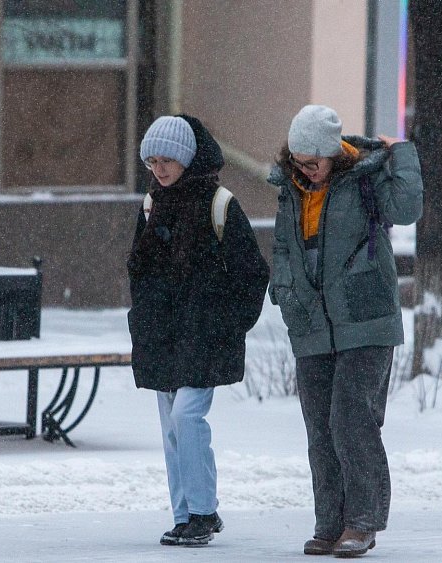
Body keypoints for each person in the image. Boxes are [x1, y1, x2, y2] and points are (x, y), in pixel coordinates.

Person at [267, 105, 422, 557]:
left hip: (366, 316)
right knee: (319, 427)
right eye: (299, 161)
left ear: (335, 155)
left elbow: (408, 208)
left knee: (350, 419)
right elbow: (282, 246)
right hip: (312, 320)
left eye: (314, 162)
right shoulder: (289, 190)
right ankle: (329, 524)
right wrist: (284, 291)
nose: (306, 170)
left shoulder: (366, 177)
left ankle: (362, 521)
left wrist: (404, 154)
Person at [127, 115, 269, 547]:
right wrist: (145, 318)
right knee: (171, 426)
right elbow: (139, 268)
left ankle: (202, 513)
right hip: (163, 333)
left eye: (167, 159)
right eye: (152, 161)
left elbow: (252, 273)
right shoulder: (151, 204)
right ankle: (185, 514)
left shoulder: (220, 203)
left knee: (186, 416)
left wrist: (227, 326)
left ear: (187, 158)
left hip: (205, 334)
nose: (160, 168)